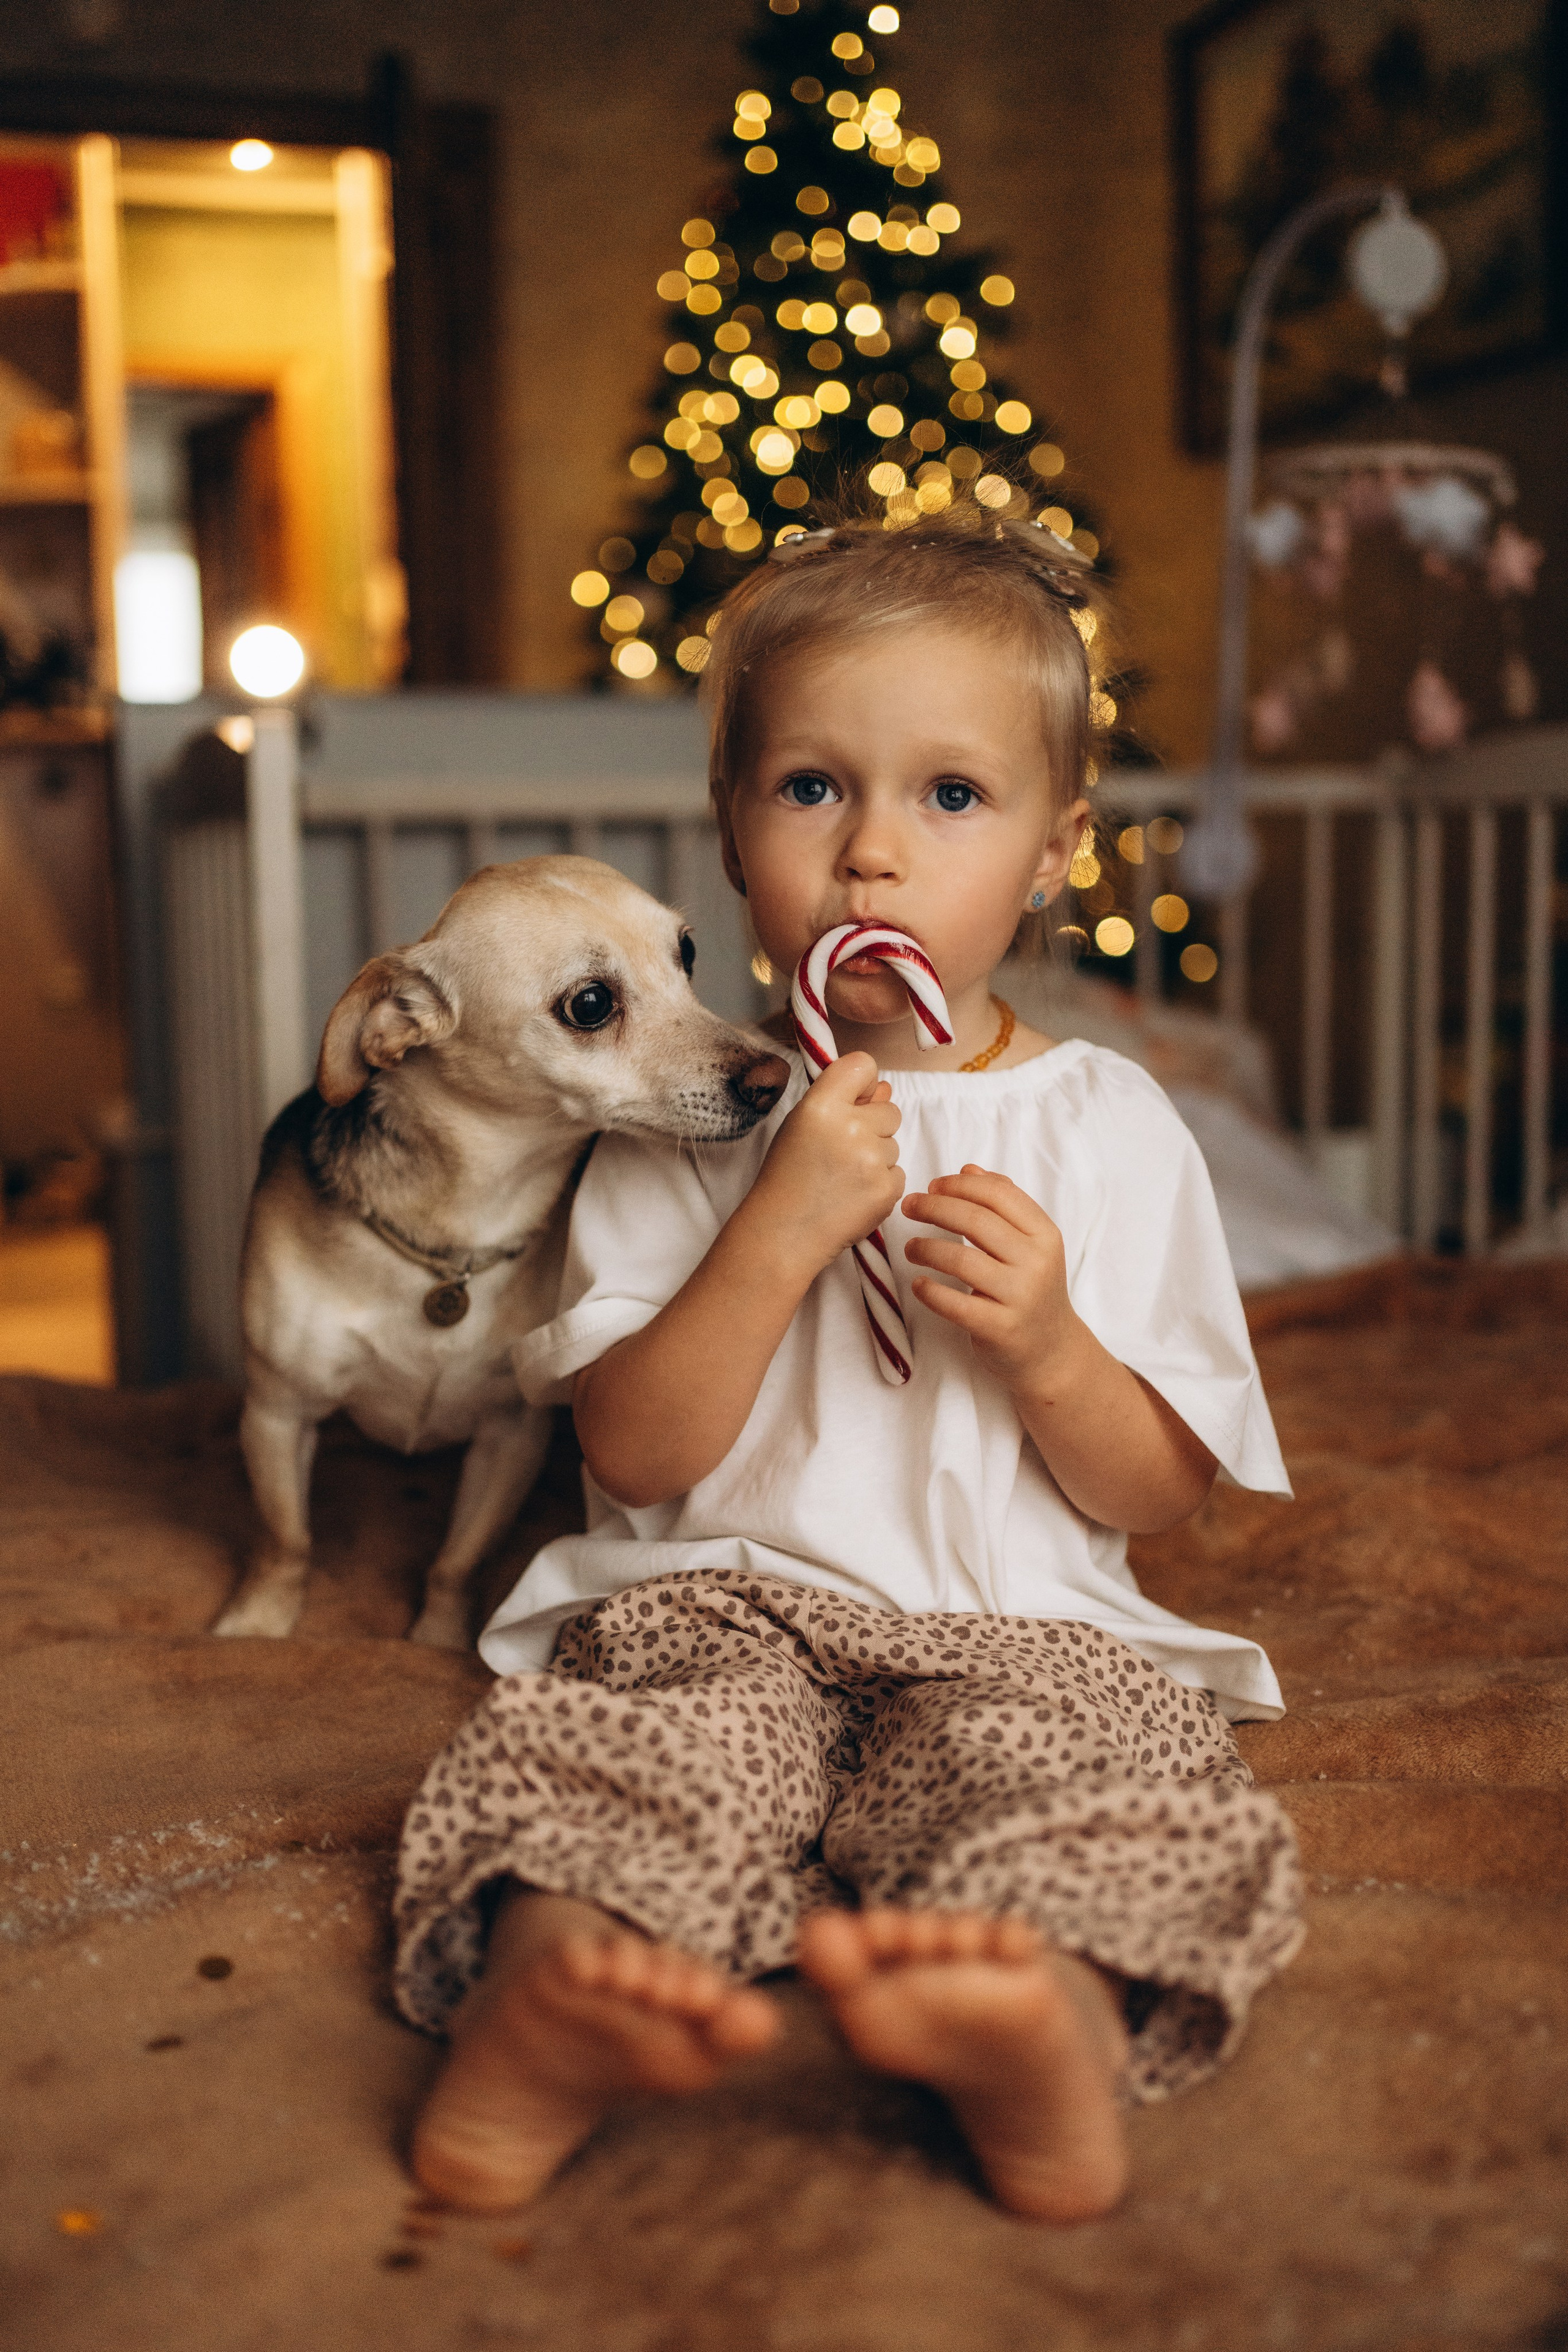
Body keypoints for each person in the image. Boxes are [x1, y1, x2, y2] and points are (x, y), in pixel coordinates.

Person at [393, 504, 1303, 2225]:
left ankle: (1045, 2025)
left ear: (1055, 849)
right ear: (735, 835)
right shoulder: (692, 1122)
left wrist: (1046, 1348)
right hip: (724, 1603)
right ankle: (551, 2000)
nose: (873, 853)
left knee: (1091, 1783)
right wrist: (778, 1230)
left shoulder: (1105, 1123)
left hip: (1026, 1631)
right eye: (814, 787)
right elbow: (643, 1456)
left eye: (951, 796)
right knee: (622, 1759)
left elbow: (1160, 1493)